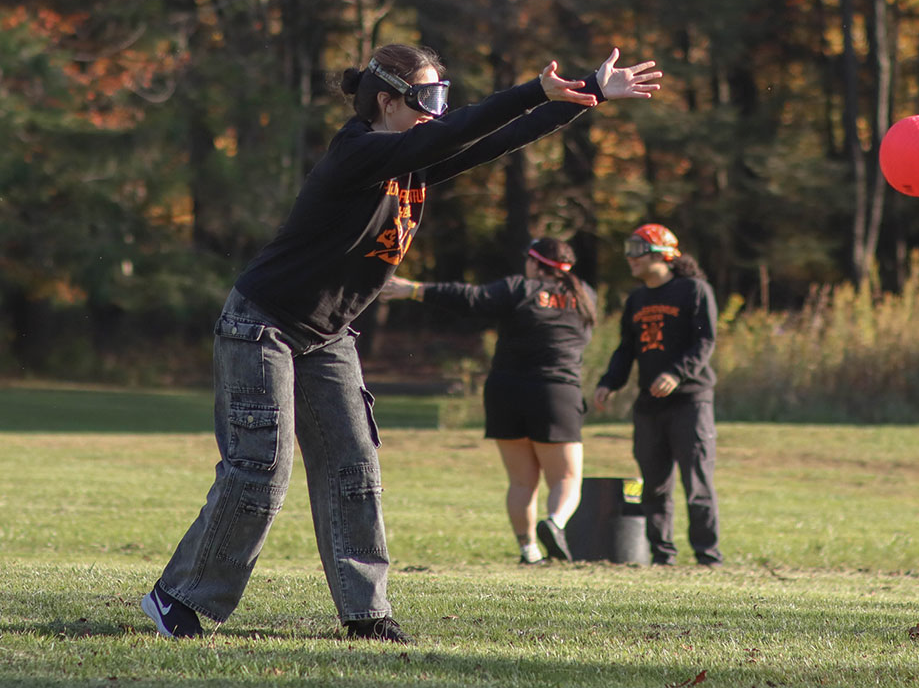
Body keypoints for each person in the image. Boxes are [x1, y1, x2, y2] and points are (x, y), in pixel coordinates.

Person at [139, 45, 662, 642]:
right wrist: (531, 90)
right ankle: (177, 597)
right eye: (429, 98)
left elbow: (489, 141)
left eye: (445, 96)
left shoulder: (411, 160)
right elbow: (464, 129)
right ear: (387, 100)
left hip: (328, 335)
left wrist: (587, 92)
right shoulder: (358, 152)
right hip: (265, 324)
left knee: (354, 468)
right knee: (261, 468)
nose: (440, 112)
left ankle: (366, 614)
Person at [381, 238, 595, 565]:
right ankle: (555, 522)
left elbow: (472, 299)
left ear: (536, 263)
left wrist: (414, 289)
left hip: (505, 391)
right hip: (556, 392)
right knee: (566, 479)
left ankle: (529, 552)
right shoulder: (585, 297)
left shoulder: (518, 288)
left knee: (522, 481)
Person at [593, 224, 722, 567]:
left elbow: (704, 342)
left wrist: (676, 374)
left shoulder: (694, 290)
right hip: (649, 406)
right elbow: (626, 349)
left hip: (690, 402)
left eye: (638, 249)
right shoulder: (636, 299)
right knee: (653, 486)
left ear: (664, 255)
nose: (630, 257)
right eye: (628, 247)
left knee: (697, 484)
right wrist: (609, 381)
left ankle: (708, 558)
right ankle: (662, 556)